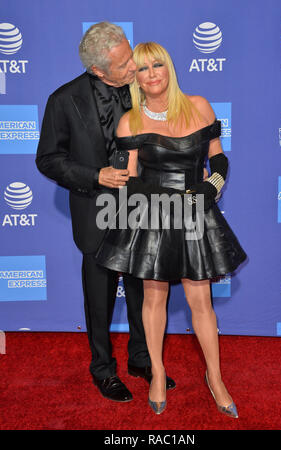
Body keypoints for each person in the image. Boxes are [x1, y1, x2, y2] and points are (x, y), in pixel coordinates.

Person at [96, 42, 247, 416]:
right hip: (154, 214)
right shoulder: (130, 120)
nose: (152, 74)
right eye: (143, 69)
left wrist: (213, 185)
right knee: (154, 297)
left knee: (201, 301)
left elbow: (218, 155)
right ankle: (158, 373)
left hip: (196, 210)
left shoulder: (199, 106)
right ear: (136, 78)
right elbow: (129, 180)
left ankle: (215, 377)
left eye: (158, 65)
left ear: (169, 67)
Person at [35, 23, 176, 403]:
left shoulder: (143, 87)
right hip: (95, 209)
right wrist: (94, 175)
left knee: (141, 288)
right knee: (99, 296)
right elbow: (48, 159)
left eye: (131, 55)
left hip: (142, 205)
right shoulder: (63, 100)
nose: (135, 66)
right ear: (98, 70)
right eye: (124, 63)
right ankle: (102, 369)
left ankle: (142, 359)